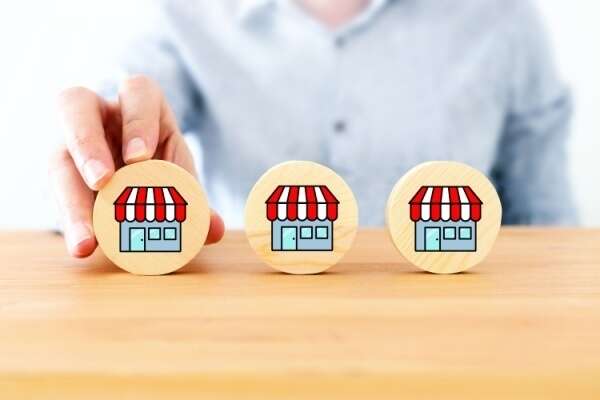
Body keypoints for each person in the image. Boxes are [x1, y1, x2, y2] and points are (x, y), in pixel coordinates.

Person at [49, 0, 575, 258]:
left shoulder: (503, 21)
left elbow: (552, 235)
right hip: (248, 333)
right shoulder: (185, 16)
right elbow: (133, 103)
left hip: (457, 344)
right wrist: (109, 147)